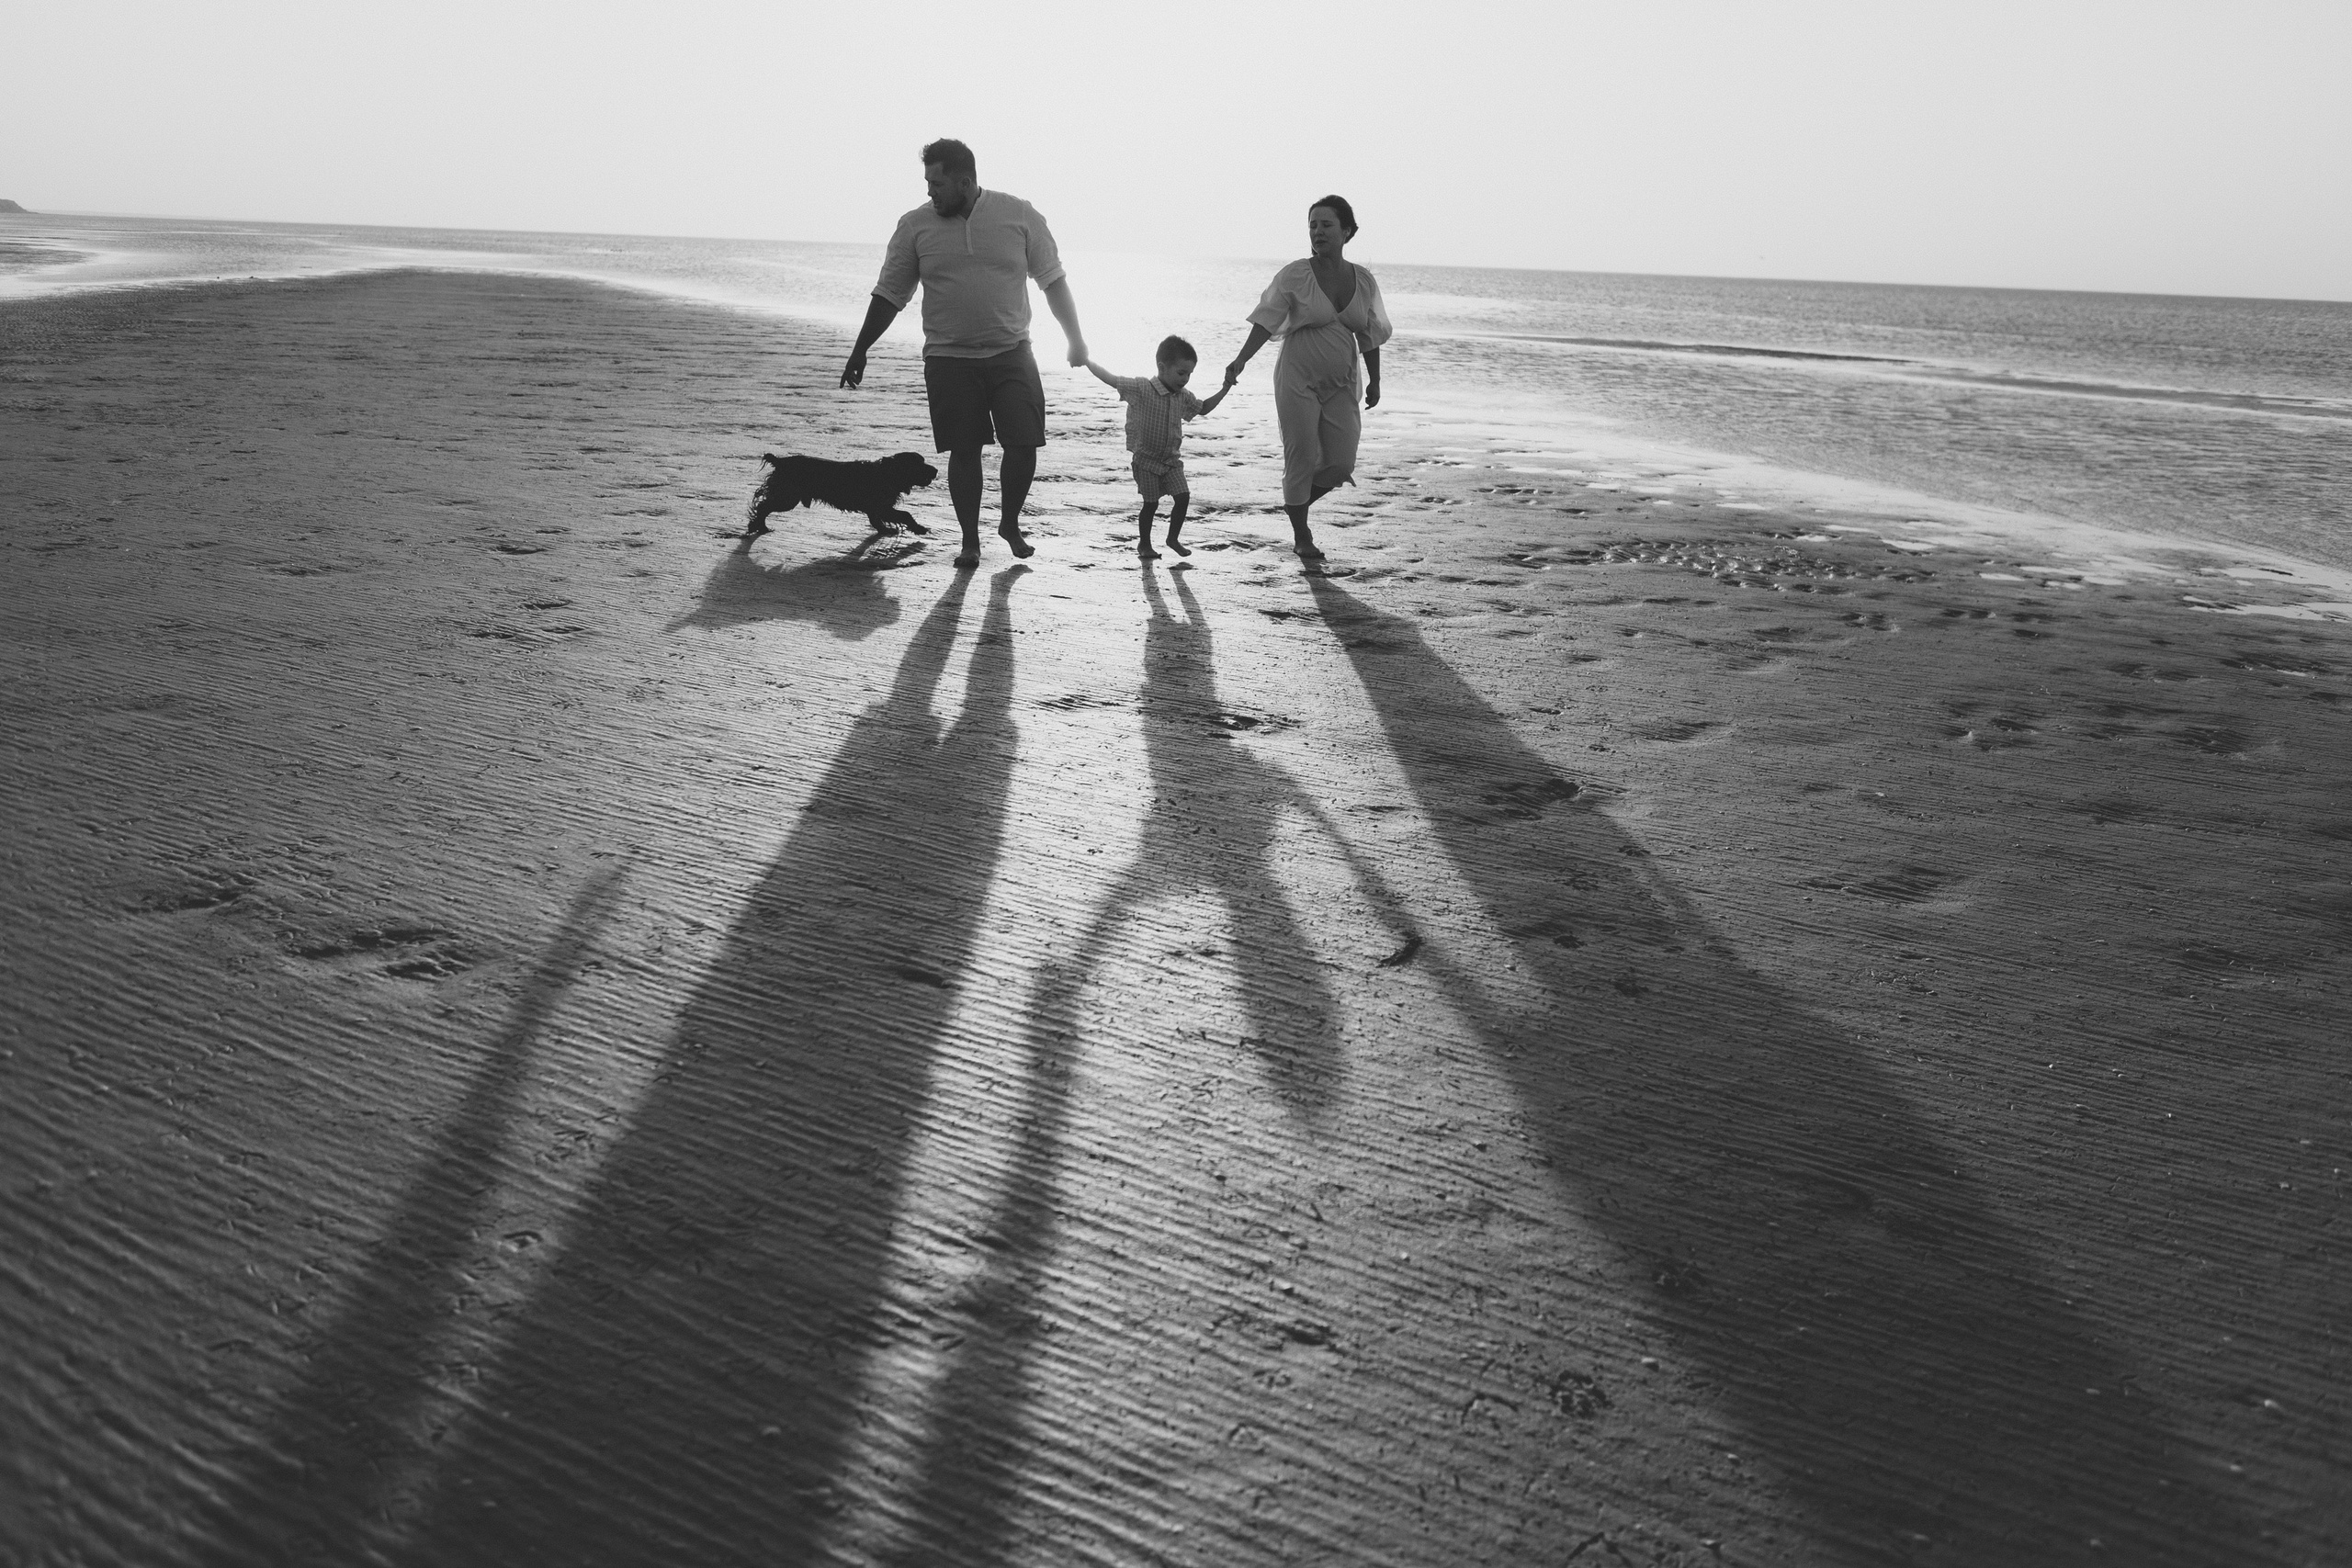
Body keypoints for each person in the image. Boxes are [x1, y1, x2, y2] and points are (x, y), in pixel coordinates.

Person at [841, 139, 1090, 569]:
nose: (930, 192)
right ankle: (970, 541)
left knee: (1024, 442)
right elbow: (889, 294)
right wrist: (861, 348)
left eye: (936, 184)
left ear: (965, 181)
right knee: (964, 448)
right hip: (948, 358)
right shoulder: (914, 226)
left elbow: (1052, 280)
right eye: (927, 184)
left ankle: (1009, 523)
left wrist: (1076, 338)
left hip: (1012, 351)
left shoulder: (1019, 215)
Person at [1220, 195, 1393, 561]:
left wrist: (1376, 380)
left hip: (1343, 380)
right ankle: (1302, 533)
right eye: (1312, 225)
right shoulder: (1295, 274)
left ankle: (1294, 504)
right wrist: (1241, 360)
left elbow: (1371, 334)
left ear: (1346, 231)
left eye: (1326, 225)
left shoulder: (1363, 280)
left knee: (1341, 462)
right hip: (1297, 376)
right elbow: (1266, 320)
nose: (1318, 232)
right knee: (1299, 457)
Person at [1083, 334, 1232, 559]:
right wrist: (1086, 361)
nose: (1185, 379)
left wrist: (1225, 388)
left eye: (1189, 374)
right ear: (1162, 367)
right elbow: (1112, 379)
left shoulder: (1183, 396)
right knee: (1150, 504)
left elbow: (1203, 408)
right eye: (1181, 373)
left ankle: (1173, 539)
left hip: (1171, 461)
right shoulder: (1142, 388)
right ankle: (1145, 544)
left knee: (1183, 498)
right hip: (1146, 461)